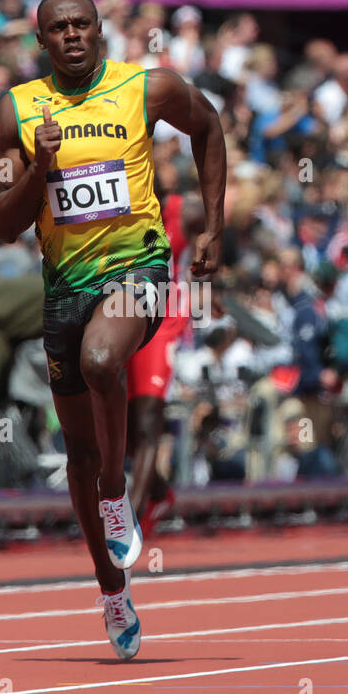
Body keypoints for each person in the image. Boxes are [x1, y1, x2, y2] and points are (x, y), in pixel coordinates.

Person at [0, 0, 225, 660]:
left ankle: (118, 495)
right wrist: (38, 165)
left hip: (138, 268)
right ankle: (111, 587)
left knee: (101, 361)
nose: (70, 35)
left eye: (81, 24)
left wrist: (214, 225)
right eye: (57, 27)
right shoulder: (19, 109)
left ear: (100, 31)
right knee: (78, 455)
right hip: (63, 285)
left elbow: (209, 127)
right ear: (41, 41)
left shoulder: (147, 88)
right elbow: (3, 223)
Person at [127, 191, 204, 538]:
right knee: (123, 431)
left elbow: (219, 217)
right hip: (118, 318)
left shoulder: (178, 209)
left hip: (161, 325)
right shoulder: (104, 205)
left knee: (146, 422)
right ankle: (158, 495)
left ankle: (130, 517)